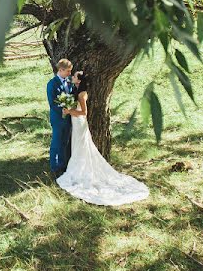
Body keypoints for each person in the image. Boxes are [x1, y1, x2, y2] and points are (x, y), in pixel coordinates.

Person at [56, 71, 150, 206]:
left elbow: (84, 112)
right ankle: (77, 166)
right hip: (75, 122)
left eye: (75, 76)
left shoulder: (82, 94)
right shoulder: (75, 92)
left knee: (81, 145)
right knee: (76, 145)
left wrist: (69, 111)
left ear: (79, 81)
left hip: (80, 122)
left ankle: (80, 170)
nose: (72, 77)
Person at [46, 58, 73, 176]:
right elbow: (52, 103)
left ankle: (63, 165)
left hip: (68, 118)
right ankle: (54, 167)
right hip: (58, 118)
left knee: (65, 142)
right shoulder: (52, 83)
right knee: (56, 142)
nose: (70, 73)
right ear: (61, 70)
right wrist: (63, 111)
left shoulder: (69, 81)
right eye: (68, 71)